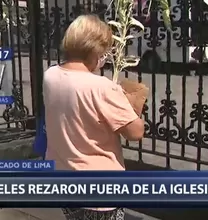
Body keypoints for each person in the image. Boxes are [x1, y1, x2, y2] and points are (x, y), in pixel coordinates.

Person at [43, 14, 146, 220]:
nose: (106, 56)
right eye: (106, 50)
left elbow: (81, 110)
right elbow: (135, 132)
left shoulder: (51, 75)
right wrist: (133, 104)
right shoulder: (102, 87)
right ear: (95, 50)